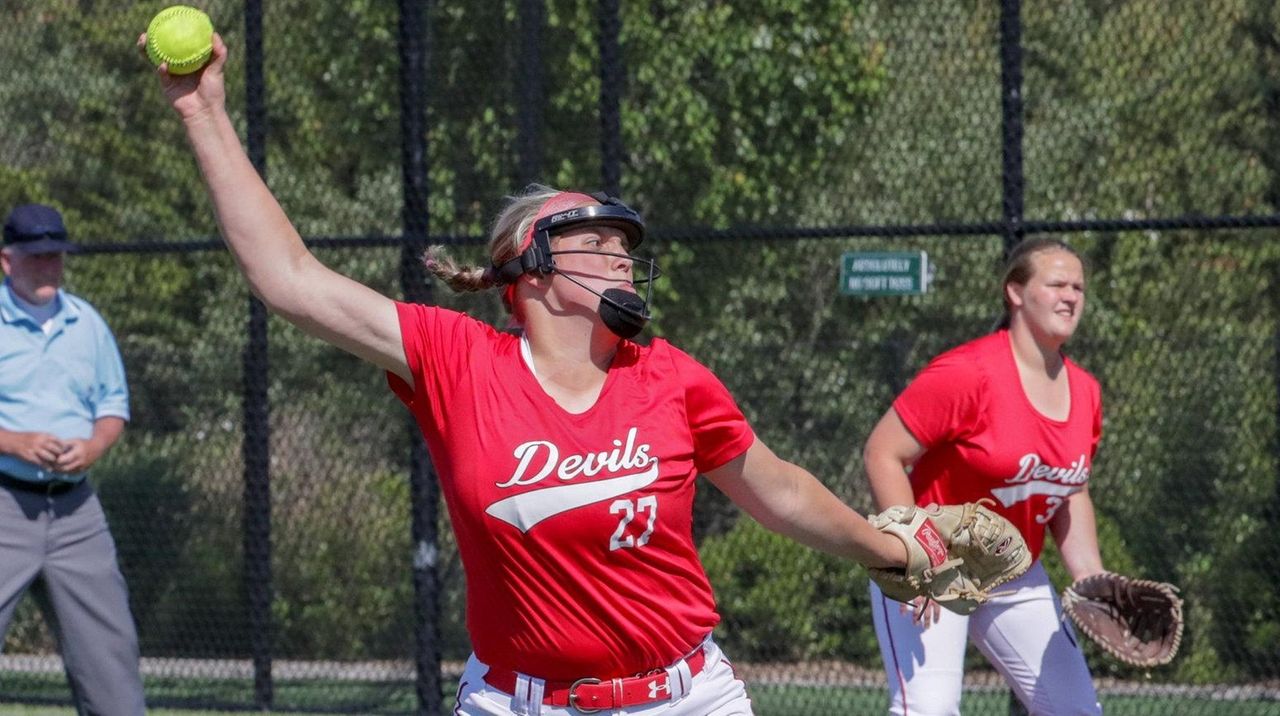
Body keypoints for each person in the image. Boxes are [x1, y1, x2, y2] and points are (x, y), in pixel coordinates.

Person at [144, 34, 921, 716]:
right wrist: (202, 114)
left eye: (626, 241)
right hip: (517, 702)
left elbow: (778, 491)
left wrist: (889, 551)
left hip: (688, 698)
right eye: (599, 239)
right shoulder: (460, 362)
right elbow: (290, 279)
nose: (623, 253)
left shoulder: (670, 377)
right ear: (533, 269)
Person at [862, 236, 1105, 715]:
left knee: (1076, 711)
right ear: (1015, 293)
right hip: (936, 560)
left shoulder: (1087, 391)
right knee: (927, 711)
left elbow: (1068, 490)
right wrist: (917, 557)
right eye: (1056, 283)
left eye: (1078, 286)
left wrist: (1091, 579)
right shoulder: (969, 373)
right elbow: (881, 452)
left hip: (1012, 569)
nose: (1070, 295)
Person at [0, 203, 145, 715]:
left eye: (56, 256)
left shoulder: (87, 323)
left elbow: (112, 407)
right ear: (6, 260)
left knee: (112, 665)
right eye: (36, 257)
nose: (48, 267)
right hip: (5, 505)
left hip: (76, 513)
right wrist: (13, 442)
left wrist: (93, 446)